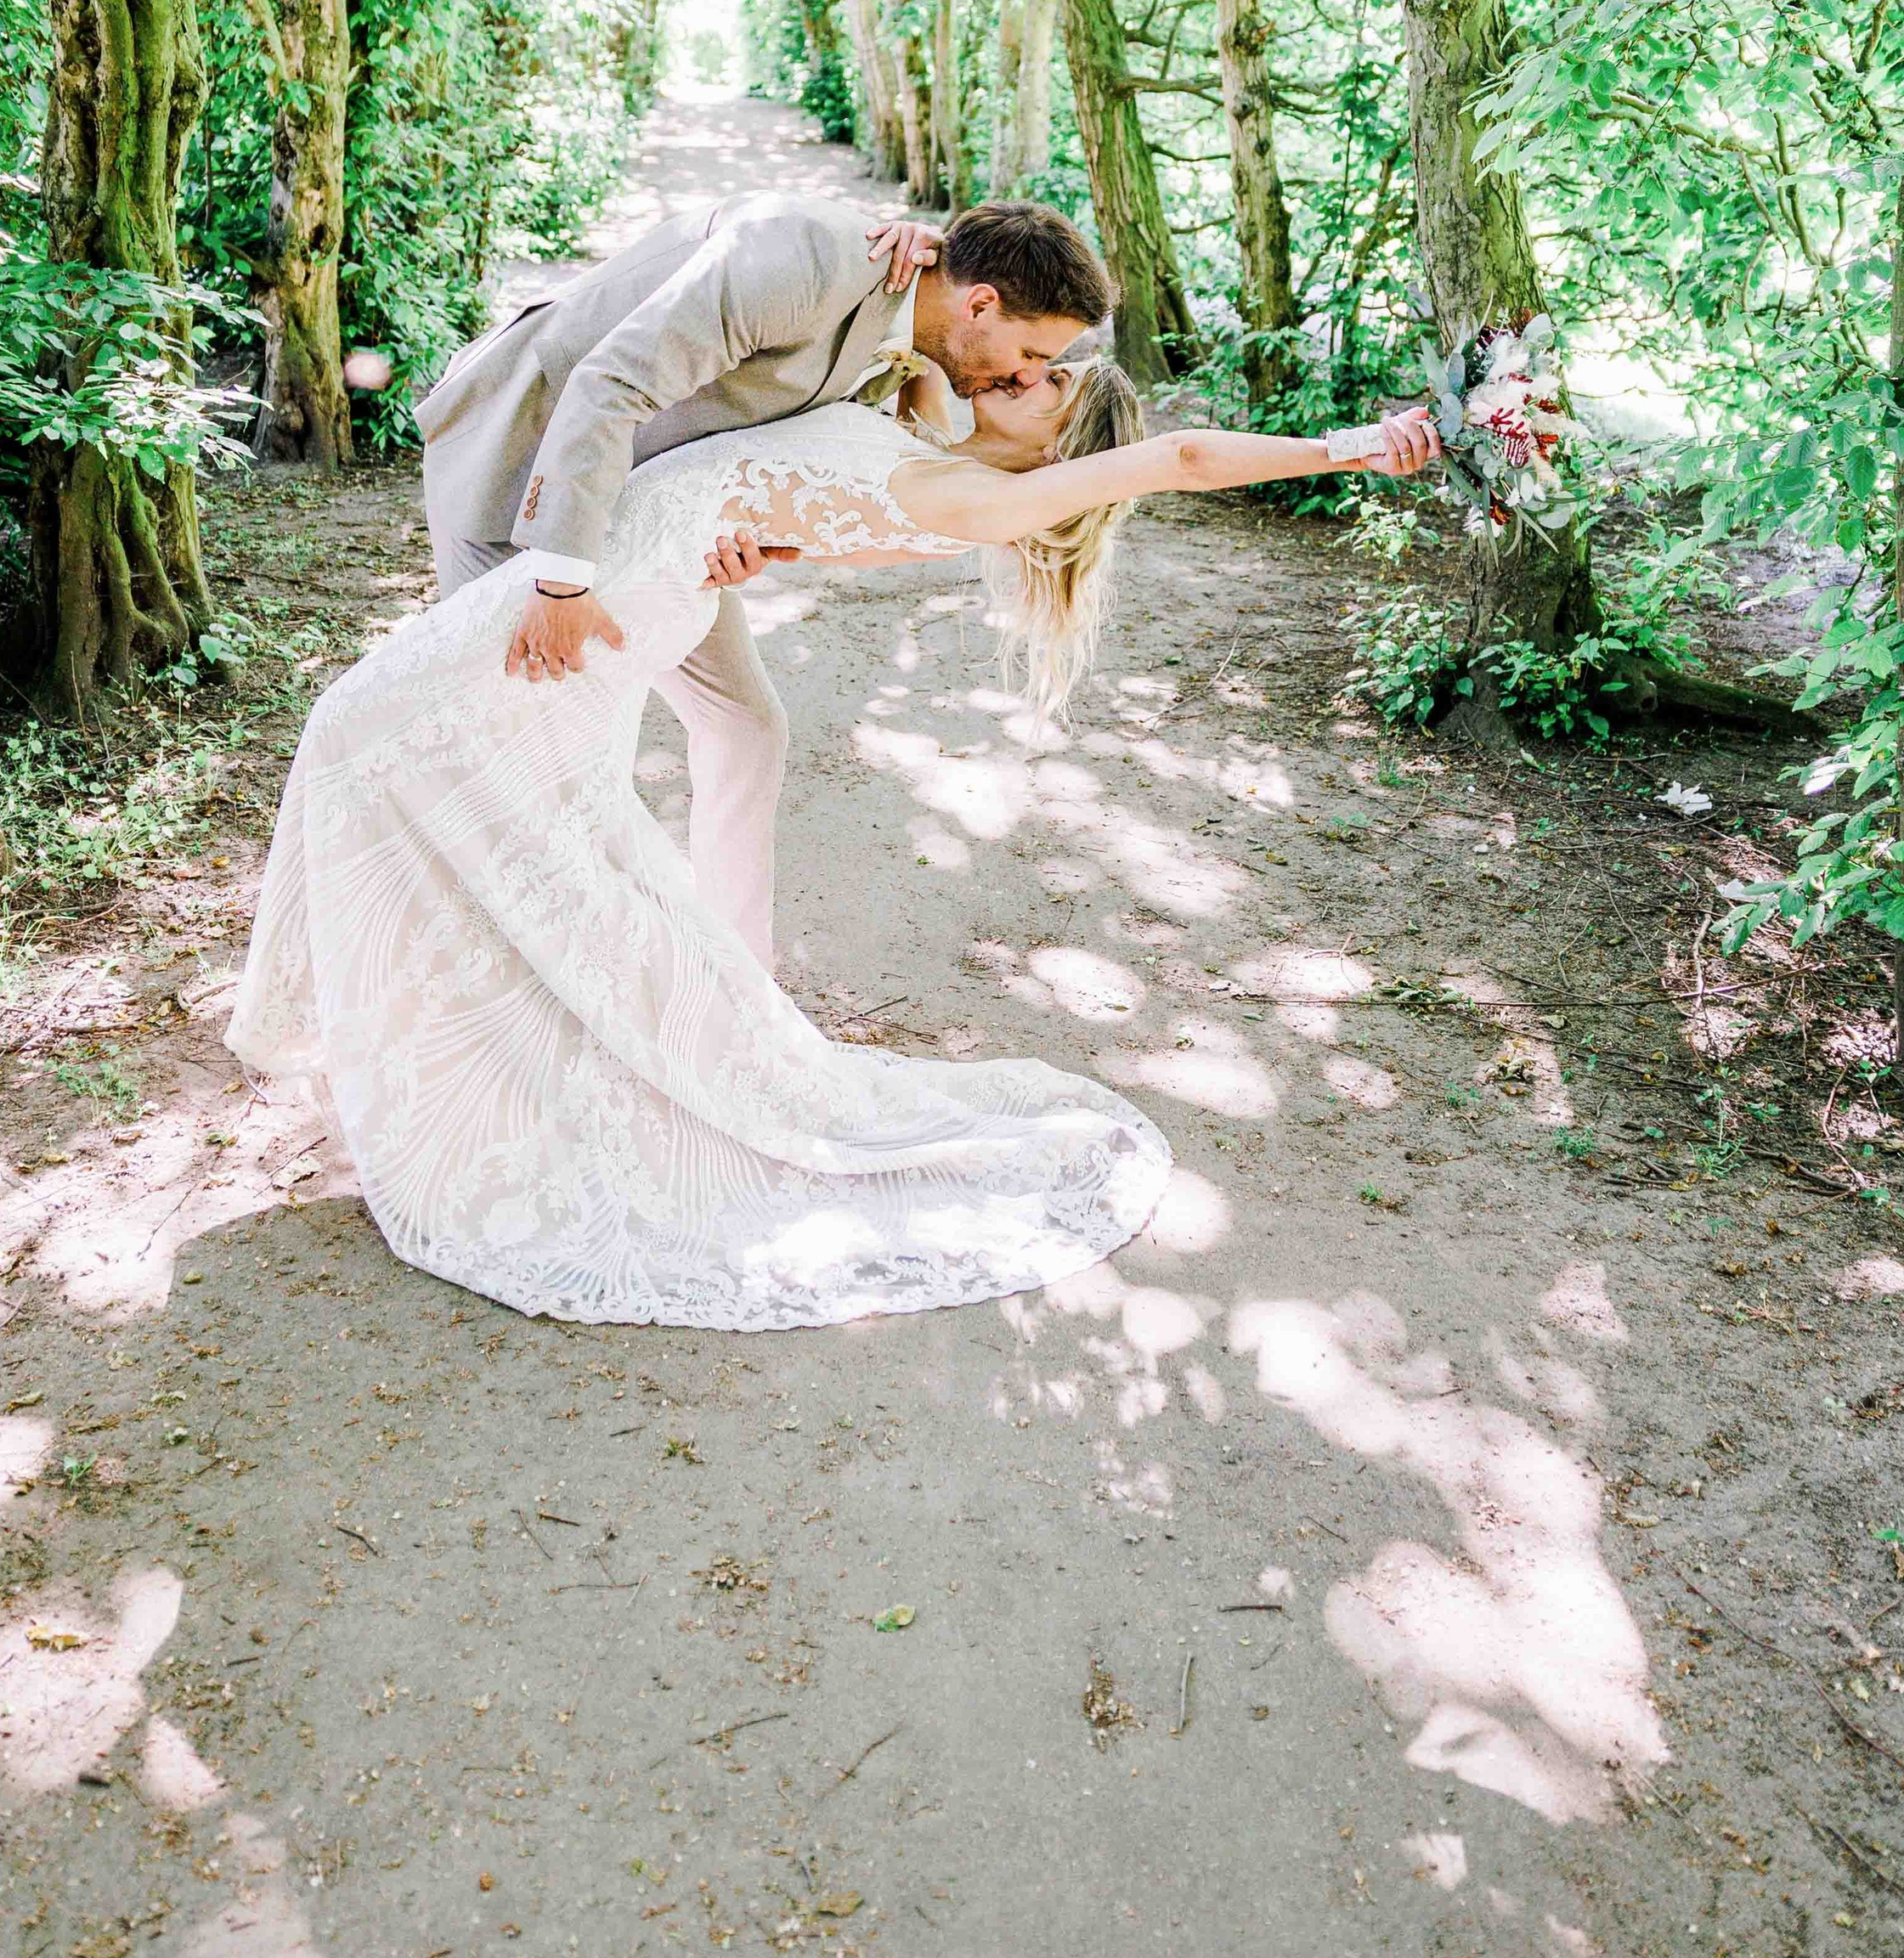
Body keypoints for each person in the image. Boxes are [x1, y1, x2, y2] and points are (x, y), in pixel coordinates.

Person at [229, 364, 1438, 1334]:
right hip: (625, 593)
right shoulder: (924, 428)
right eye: (1039, 358)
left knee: (387, 753)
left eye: (1052, 387)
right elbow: (833, 424)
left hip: (604, 611)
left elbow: (1176, 458)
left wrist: (1356, 446)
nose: (1030, 371)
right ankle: (476, 1061)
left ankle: (497, 1076)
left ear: (1063, 456)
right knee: (468, 801)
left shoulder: (976, 499)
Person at [414, 195, 1110, 967]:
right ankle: (480, 965)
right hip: (520, 463)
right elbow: (607, 382)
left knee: (745, 727)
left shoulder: (914, 327)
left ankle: (736, 977)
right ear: (981, 303)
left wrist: (754, 542)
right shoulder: (809, 257)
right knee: (509, 737)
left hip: (653, 513)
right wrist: (561, 587)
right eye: (1035, 353)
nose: (1030, 373)